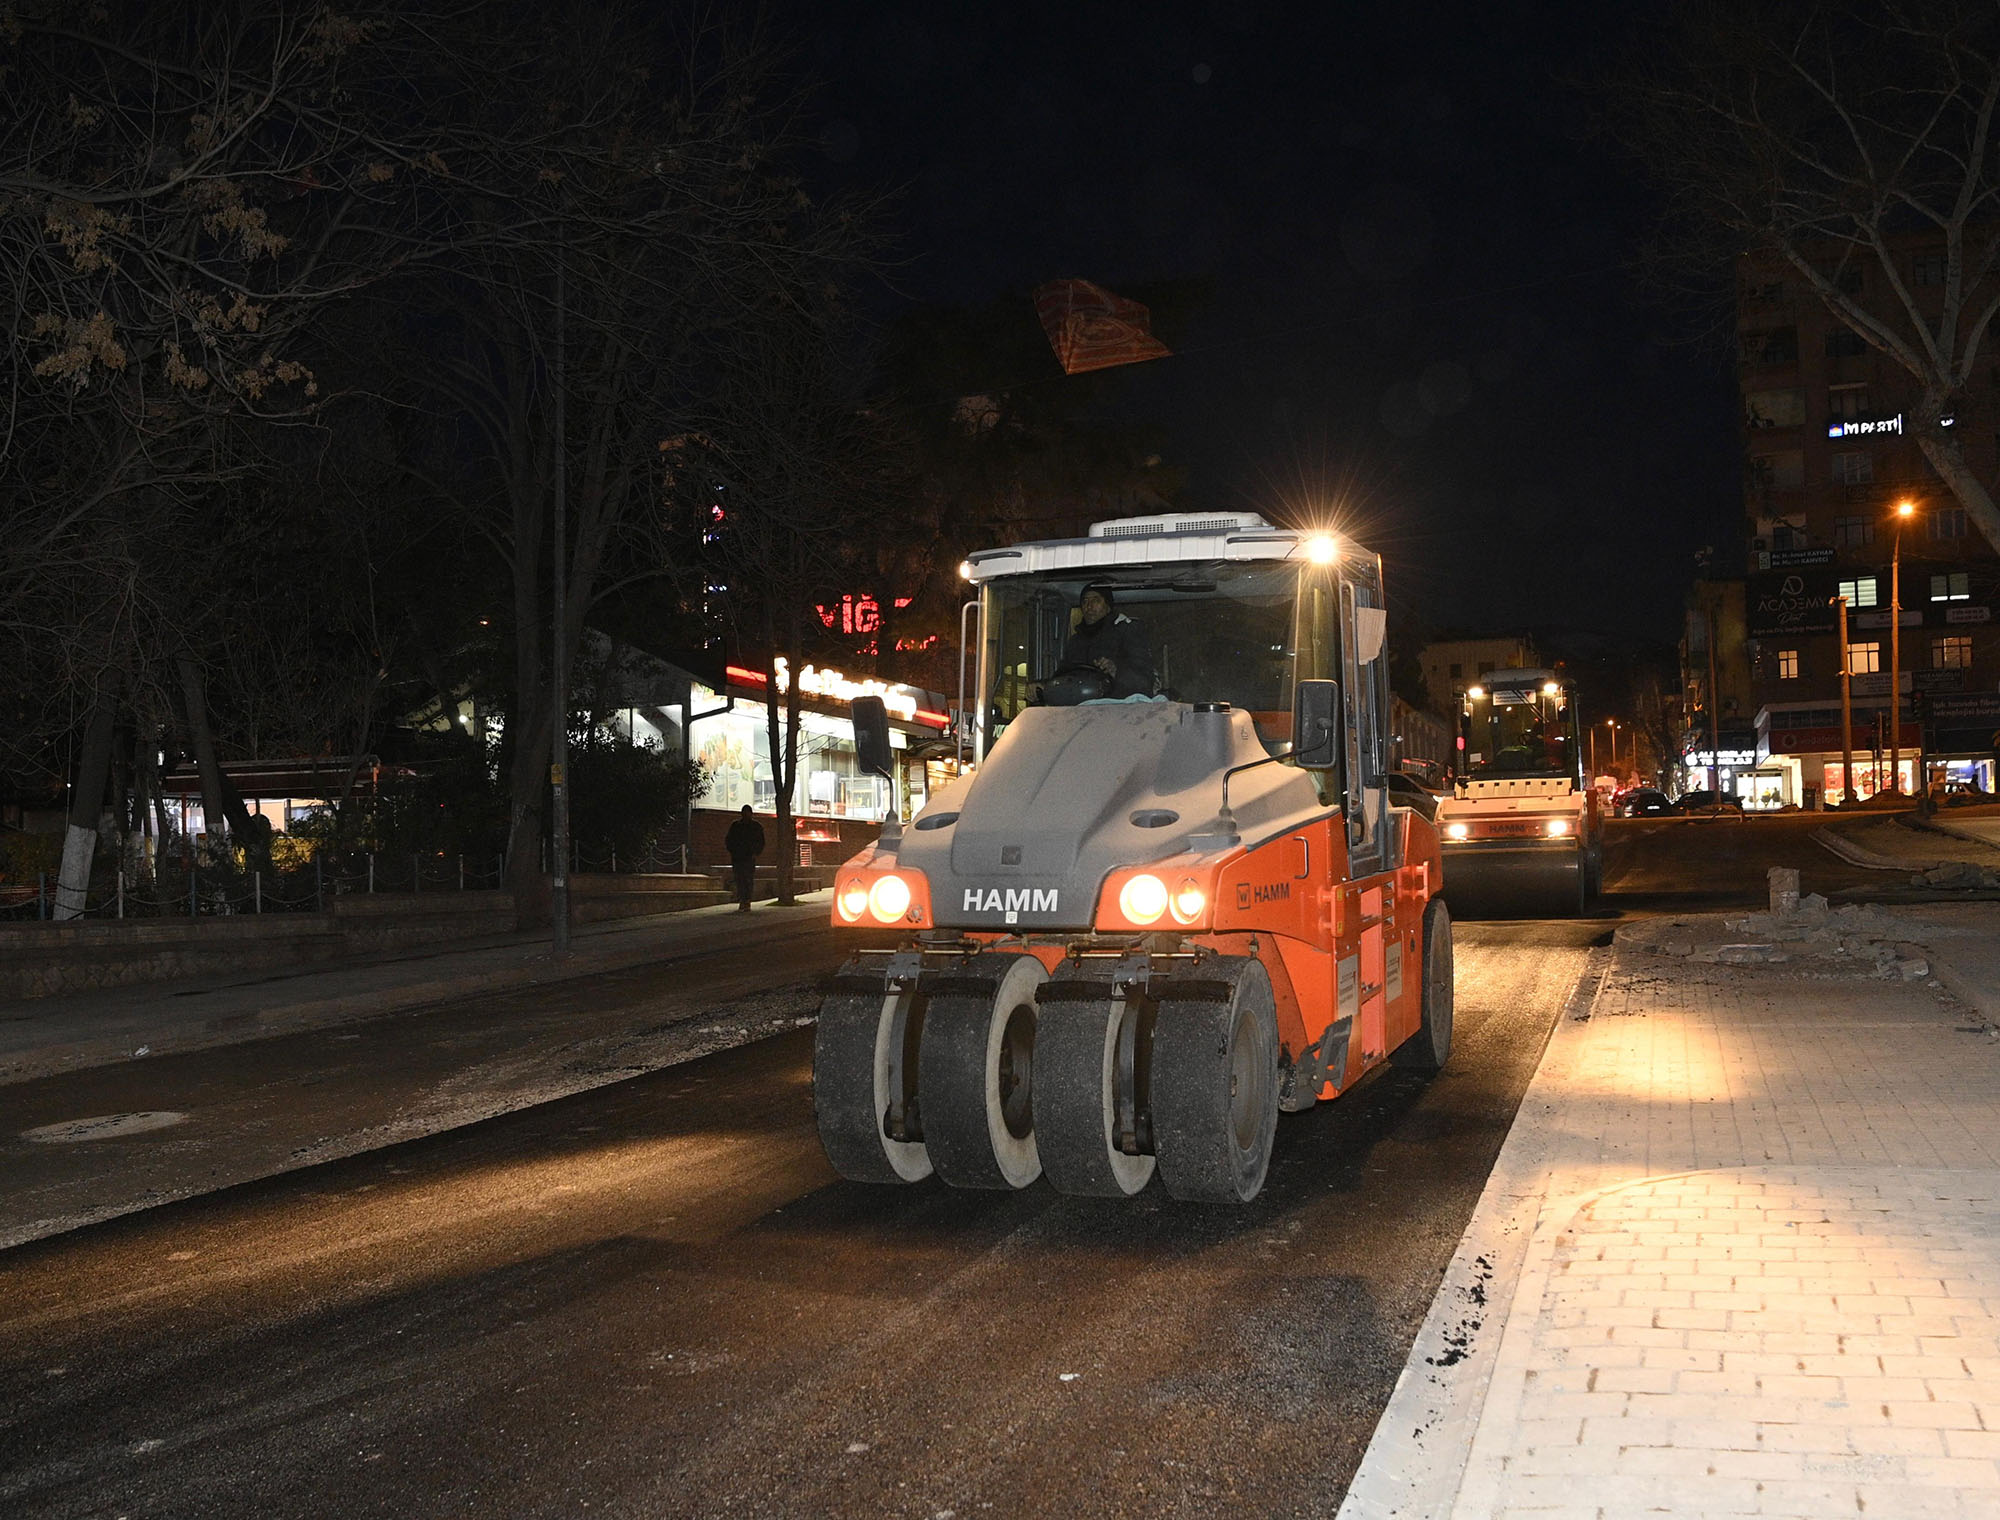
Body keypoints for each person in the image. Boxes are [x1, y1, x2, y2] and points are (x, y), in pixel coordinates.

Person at [1061, 585, 1154, 699]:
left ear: (1108, 607)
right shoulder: (1075, 642)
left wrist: (1116, 671)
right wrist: (1041, 686)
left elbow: (1145, 682)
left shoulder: (1128, 632)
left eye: (1096, 601)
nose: (1089, 606)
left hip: (1120, 709)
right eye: (1085, 602)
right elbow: (1062, 675)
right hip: (1080, 709)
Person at [724, 805, 765, 912]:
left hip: (747, 857)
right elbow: (729, 840)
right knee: (740, 879)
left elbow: (760, 842)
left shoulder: (753, 826)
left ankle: (746, 900)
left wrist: (755, 853)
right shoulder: (737, 826)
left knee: (746, 879)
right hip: (739, 857)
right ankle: (743, 900)